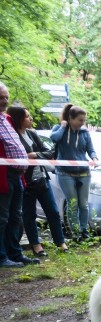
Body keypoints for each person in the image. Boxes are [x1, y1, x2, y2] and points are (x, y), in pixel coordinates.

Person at [7, 105, 68, 256]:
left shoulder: (32, 133)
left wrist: (34, 155)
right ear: (19, 119)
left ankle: (60, 242)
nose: (31, 118)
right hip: (26, 182)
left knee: (53, 212)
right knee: (29, 215)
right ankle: (36, 245)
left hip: (42, 179)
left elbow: (50, 152)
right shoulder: (13, 136)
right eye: (27, 116)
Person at [0, 82, 37, 268]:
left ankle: (15, 253)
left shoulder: (6, 119)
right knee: (2, 218)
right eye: (1, 97)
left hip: (17, 175)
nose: (4, 101)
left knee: (16, 216)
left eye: (6, 97)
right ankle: (2, 256)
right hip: (3, 177)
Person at [50, 103, 97, 241]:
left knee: (83, 204)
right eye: (80, 120)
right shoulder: (59, 128)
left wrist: (94, 157)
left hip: (84, 173)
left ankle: (84, 231)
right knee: (72, 203)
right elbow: (54, 138)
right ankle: (75, 233)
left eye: (84, 120)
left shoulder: (84, 132)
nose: (83, 123)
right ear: (71, 118)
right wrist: (64, 126)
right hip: (65, 173)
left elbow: (90, 149)